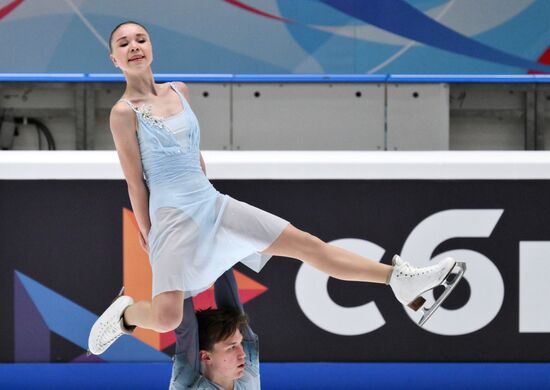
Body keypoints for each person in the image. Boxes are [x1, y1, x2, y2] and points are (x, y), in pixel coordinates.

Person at [88, 21, 465, 356]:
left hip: (210, 203)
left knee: (306, 245)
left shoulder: (179, 91)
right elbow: (135, 180)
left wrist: (210, 195)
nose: (134, 46)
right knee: (168, 317)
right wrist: (148, 233)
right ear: (114, 59)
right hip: (169, 216)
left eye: (140, 39)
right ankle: (124, 313)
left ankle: (399, 279)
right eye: (124, 44)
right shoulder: (123, 113)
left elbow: (194, 156)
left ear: (151, 47)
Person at [170, 269, 259, 390]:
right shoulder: (248, 370)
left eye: (239, 344)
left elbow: (186, 327)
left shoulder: (188, 386)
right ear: (206, 357)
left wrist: (178, 258)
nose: (242, 354)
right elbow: (233, 306)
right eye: (232, 347)